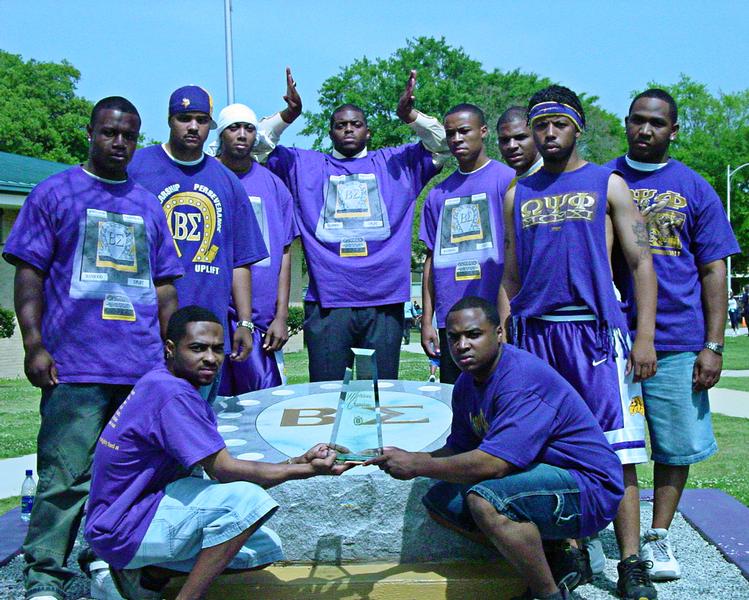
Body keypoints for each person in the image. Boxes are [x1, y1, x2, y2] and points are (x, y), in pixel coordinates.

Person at [3, 97, 183, 600]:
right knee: (65, 477)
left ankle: (106, 560)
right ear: (91, 133)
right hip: (75, 367)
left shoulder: (148, 204)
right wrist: (34, 344)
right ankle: (44, 576)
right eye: (109, 133)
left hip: (139, 367)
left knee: (127, 477)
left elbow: (166, 285)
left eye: (128, 135)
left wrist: (171, 355)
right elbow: (29, 274)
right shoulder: (54, 193)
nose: (119, 143)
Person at [502, 85, 659, 599]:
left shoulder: (608, 184)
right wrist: (509, 338)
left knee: (620, 450)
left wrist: (644, 337)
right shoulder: (516, 193)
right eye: (540, 125)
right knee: (547, 449)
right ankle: (569, 551)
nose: (548, 134)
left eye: (559, 125)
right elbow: (509, 274)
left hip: (594, 333)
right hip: (537, 336)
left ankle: (631, 563)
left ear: (578, 128)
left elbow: (641, 263)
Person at [85, 306, 350, 600]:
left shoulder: (165, 381)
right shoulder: (172, 395)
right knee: (247, 504)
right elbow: (224, 470)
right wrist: (308, 470)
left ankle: (146, 577)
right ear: (170, 349)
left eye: (217, 349)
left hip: (145, 508)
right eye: (197, 348)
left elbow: (223, 472)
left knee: (259, 549)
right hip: (121, 526)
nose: (210, 358)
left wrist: (297, 461)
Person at [367, 297, 624, 600]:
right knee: (441, 502)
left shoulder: (521, 380)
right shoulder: (467, 383)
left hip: (587, 487)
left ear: (499, 333)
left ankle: (549, 595)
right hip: (537, 479)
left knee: (487, 501)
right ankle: (556, 556)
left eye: (473, 335)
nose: (462, 345)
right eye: (454, 337)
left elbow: (495, 464)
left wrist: (417, 466)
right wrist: (402, 457)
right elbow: (458, 450)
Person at [607, 88, 740, 583]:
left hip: (679, 338)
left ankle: (658, 537)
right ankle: (617, 538)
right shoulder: (603, 180)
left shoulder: (695, 187)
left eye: (657, 123)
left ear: (673, 130)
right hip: (613, 337)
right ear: (626, 122)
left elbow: (712, 268)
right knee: (615, 445)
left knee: (673, 446)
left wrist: (713, 344)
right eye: (638, 120)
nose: (645, 130)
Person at [254, 68, 449, 381]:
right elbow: (256, 145)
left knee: (381, 396)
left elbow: (443, 144)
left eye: (356, 124)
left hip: (384, 302)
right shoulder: (305, 165)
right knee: (326, 400)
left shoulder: (396, 164)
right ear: (330, 132)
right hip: (328, 303)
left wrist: (410, 115)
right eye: (340, 125)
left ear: (368, 132)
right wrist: (289, 114)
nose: (348, 130)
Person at [129, 85, 268, 402]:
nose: (193, 126)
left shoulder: (226, 181)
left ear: (210, 126)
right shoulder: (137, 167)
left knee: (196, 426)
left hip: (203, 335)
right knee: (140, 424)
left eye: (201, 120)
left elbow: (240, 260)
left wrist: (245, 322)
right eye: (184, 118)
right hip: (143, 329)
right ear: (169, 120)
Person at [420, 104, 514, 384]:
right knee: (457, 407)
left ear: (483, 132)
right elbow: (430, 261)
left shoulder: (508, 181)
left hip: (495, 320)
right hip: (453, 322)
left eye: (464, 131)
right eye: (451, 134)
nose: (457, 139)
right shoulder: (437, 194)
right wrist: (428, 320)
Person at [213, 103, 295, 393]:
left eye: (248, 128)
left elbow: (285, 252)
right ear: (221, 134)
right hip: (212, 317)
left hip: (261, 321)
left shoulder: (274, 186)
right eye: (234, 127)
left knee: (263, 409)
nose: (242, 134)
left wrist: (281, 316)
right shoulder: (205, 177)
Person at [497, 106, 543, 178]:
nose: (512, 146)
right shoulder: (511, 185)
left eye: (520, 137)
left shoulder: (555, 179)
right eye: (504, 140)